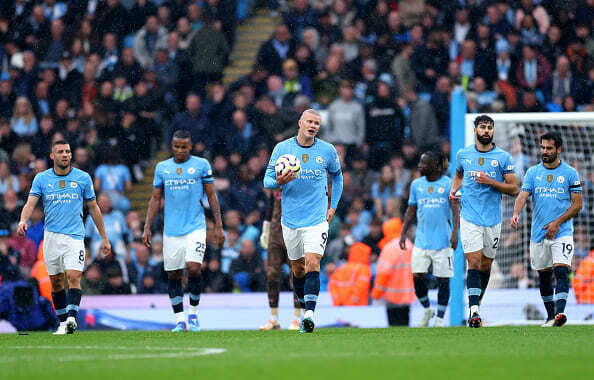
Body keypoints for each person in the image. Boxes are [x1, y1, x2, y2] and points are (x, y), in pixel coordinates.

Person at [17, 140, 111, 335]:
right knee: (57, 282)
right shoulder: (41, 179)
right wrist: (23, 220)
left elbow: (93, 208)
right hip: (51, 237)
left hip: (75, 237)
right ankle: (62, 323)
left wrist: (104, 237)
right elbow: (30, 203)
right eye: (60, 151)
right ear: (52, 156)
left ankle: (71, 318)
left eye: (67, 151)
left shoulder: (83, 178)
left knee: (74, 276)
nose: (65, 155)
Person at [263, 109, 343, 333]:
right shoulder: (283, 149)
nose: (313, 125)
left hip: (316, 220)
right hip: (290, 221)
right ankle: (304, 305)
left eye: (317, 123)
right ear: (300, 123)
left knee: (312, 263)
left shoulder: (326, 151)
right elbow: (267, 180)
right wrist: (278, 180)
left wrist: (333, 206)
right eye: (309, 121)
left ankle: (309, 315)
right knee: (297, 269)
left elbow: (338, 176)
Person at [142, 129, 225, 333]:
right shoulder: (163, 168)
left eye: (183, 147)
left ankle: (193, 314)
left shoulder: (201, 165)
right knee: (174, 274)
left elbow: (212, 196)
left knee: (194, 267)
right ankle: (180, 320)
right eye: (176, 147)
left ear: (190, 146)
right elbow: (155, 198)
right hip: (171, 230)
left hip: (195, 227)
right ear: (172, 146)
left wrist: (219, 226)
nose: (180, 150)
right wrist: (147, 226)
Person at [449, 115, 518, 328]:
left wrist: (490, 181)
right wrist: (454, 189)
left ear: (493, 131)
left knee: (486, 265)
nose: (486, 131)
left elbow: (513, 188)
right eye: (483, 127)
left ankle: (475, 304)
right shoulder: (463, 154)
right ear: (475, 130)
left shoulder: (503, 157)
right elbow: (459, 175)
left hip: (493, 220)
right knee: (474, 262)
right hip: (469, 217)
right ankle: (474, 311)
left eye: (489, 128)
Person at [511, 132, 582, 327]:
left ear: (559, 149)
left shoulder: (569, 173)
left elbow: (577, 205)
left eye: (549, 148)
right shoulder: (533, 172)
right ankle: (550, 317)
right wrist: (516, 213)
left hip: (563, 231)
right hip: (538, 234)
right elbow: (522, 196)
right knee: (543, 276)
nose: (544, 151)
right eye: (542, 147)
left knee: (561, 270)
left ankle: (560, 313)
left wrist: (557, 222)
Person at [400, 152, 459, 327]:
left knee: (443, 279)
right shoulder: (416, 185)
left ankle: (439, 319)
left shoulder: (448, 184)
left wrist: (455, 232)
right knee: (417, 276)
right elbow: (411, 210)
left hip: (443, 241)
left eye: (424, 163)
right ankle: (427, 309)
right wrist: (403, 233)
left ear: (436, 166)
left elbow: (455, 209)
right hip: (421, 241)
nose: (419, 166)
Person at [259, 190, 302, 330]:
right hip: (276, 233)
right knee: (271, 274)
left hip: (294, 231)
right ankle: (274, 318)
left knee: (296, 274)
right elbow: (270, 206)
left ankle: (297, 318)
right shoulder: (275, 181)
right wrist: (266, 228)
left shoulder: (301, 178)